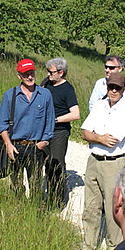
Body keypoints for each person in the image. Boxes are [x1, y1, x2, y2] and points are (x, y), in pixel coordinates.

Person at [81, 71, 125, 250]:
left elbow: (112, 140)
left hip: (113, 163)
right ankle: (88, 244)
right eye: (110, 87)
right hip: (94, 160)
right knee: (90, 204)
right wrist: (99, 137)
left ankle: (115, 247)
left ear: (123, 89)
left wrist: (94, 136)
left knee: (113, 207)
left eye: (117, 88)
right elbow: (84, 133)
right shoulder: (99, 105)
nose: (113, 91)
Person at [0, 59, 55, 197]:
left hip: (35, 148)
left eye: (31, 73)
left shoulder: (45, 95)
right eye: (25, 74)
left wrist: (43, 143)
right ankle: (18, 210)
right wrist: (8, 145)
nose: (29, 77)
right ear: (19, 76)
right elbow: (2, 124)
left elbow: (50, 123)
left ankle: (36, 212)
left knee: (36, 187)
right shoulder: (10, 95)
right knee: (16, 186)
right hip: (15, 147)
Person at [40, 58, 80, 208]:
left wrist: (54, 120)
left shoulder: (67, 89)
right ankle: (50, 195)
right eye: (48, 72)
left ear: (61, 73)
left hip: (59, 132)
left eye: (51, 72)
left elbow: (75, 114)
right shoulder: (46, 83)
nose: (48, 74)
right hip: (43, 131)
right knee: (47, 164)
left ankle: (59, 201)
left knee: (57, 164)